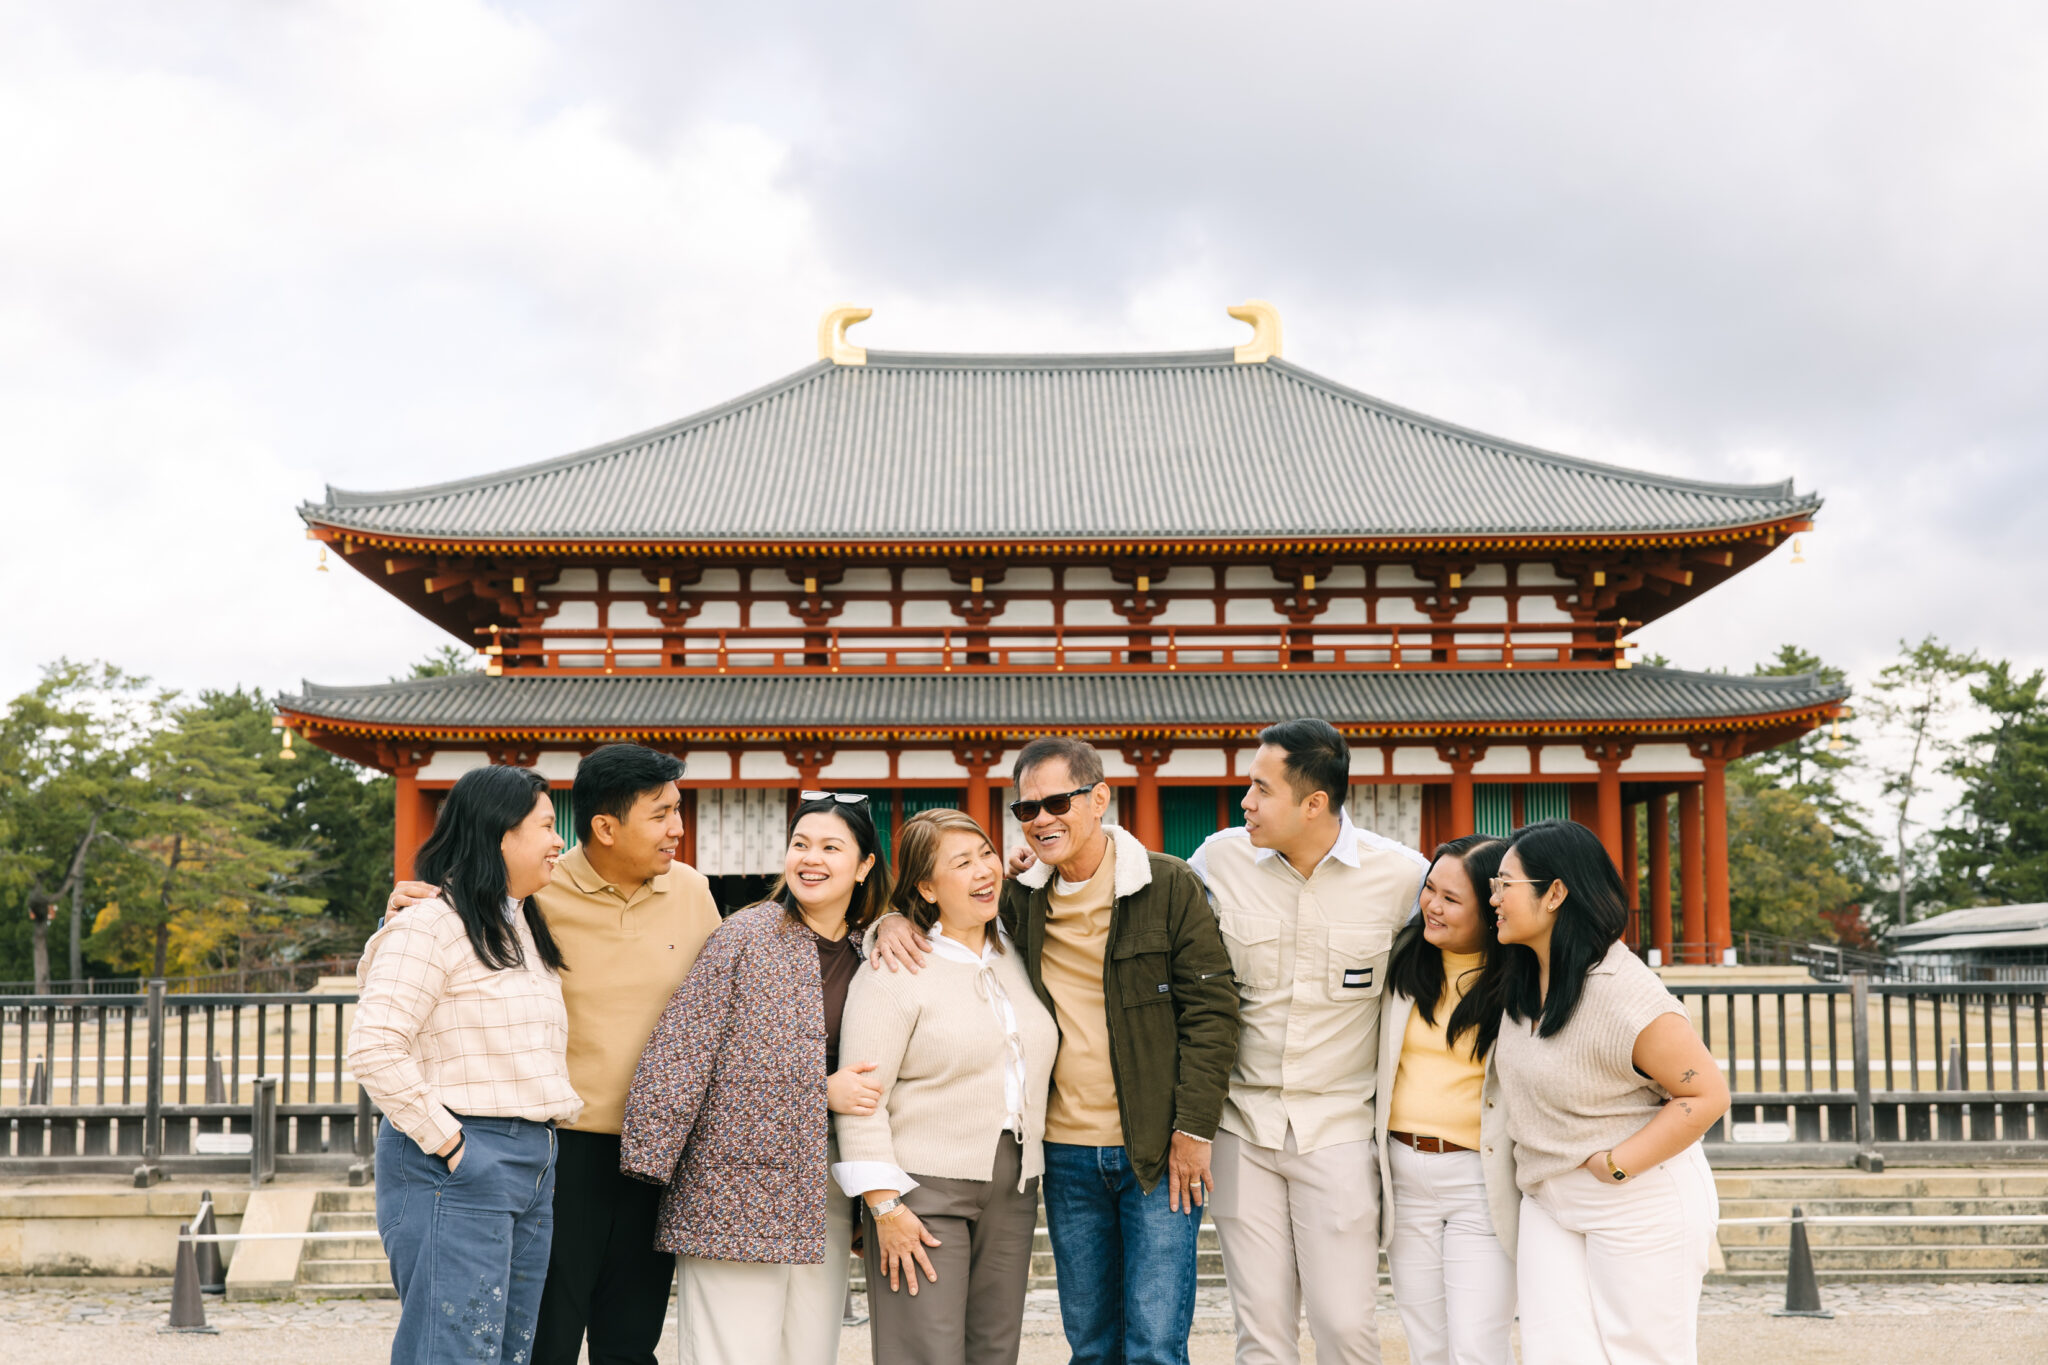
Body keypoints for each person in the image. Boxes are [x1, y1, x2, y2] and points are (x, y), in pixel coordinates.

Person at [871, 736, 1241, 1365]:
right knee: (1091, 1344)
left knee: (1155, 1344)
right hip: (1064, 1154)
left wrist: (1194, 1127)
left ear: (1099, 798)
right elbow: (948, 920)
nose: (1042, 819)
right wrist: (890, 920)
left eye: (1057, 803)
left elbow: (1213, 1012)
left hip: (1156, 1146)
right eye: (1026, 809)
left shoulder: (1169, 884)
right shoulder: (1019, 899)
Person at [383, 744, 721, 1365]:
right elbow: (413, 982)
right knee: (543, 1340)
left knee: (632, 1338)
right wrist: (394, 917)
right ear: (606, 826)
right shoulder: (534, 891)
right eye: (664, 813)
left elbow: (735, 993)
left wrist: (889, 925)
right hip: (560, 1151)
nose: (680, 828)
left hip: (657, 1150)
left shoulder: (694, 892)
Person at [1184, 718, 1427, 1365]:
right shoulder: (1216, 859)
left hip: (1340, 1131)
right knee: (1260, 1334)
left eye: (1261, 788)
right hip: (1243, 1127)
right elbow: (1148, 922)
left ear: (1314, 802)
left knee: (1346, 1327)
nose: (1246, 802)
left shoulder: (1404, 879)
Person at [619, 792, 891, 1365]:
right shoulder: (746, 934)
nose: (810, 859)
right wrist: (820, 1093)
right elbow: (684, 1050)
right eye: (800, 844)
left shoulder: (872, 949)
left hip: (823, 1188)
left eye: (831, 847)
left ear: (865, 865)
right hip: (732, 1189)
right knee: (731, 1352)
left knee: (809, 1350)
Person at [348, 763, 579, 1365]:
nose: (560, 841)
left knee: (505, 1351)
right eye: (547, 825)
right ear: (502, 834)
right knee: (453, 1351)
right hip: (458, 1157)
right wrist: (453, 1147)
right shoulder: (432, 923)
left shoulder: (521, 923)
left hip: (533, 1159)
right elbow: (374, 1045)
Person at [1489, 818, 1731, 1365]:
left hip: (1636, 1198)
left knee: (1643, 1355)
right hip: (1548, 1197)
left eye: (1506, 884)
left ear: (1555, 893)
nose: (1494, 899)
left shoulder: (1625, 994)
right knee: (1554, 1354)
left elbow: (1706, 1095)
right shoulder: (1526, 978)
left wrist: (1617, 1165)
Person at [834, 808, 1060, 1365]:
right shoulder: (895, 966)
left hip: (1014, 1182)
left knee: (995, 1348)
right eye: (962, 863)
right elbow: (864, 1098)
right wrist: (884, 1208)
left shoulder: (1018, 952)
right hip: (921, 1187)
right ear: (927, 887)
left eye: (986, 853)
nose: (984, 870)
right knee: (925, 1352)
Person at [1374, 835, 1519, 1365]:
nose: (1432, 905)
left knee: (1478, 1346)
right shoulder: (1403, 960)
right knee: (1427, 1344)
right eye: (1429, 890)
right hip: (1403, 1175)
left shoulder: (1521, 980)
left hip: (1477, 1181)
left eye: (1452, 899)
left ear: (1491, 909)